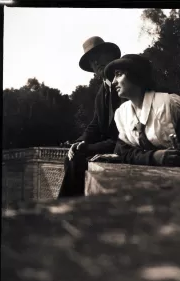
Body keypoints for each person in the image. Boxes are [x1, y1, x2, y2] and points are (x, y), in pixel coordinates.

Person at [103, 54, 180, 172]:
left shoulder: (169, 103)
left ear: (135, 75)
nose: (113, 82)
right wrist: (153, 157)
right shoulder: (122, 114)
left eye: (118, 74)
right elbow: (123, 152)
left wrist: (176, 154)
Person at [58, 36, 122, 198]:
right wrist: (79, 142)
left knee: (78, 157)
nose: (96, 62)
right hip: (110, 144)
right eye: (92, 61)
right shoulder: (101, 92)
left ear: (111, 56)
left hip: (124, 144)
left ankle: (69, 207)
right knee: (72, 156)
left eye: (99, 56)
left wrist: (87, 147)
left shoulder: (124, 85)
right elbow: (94, 124)